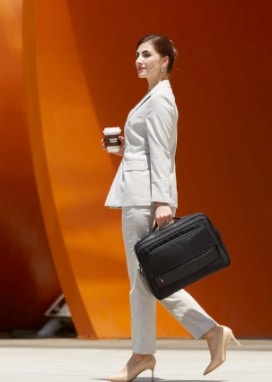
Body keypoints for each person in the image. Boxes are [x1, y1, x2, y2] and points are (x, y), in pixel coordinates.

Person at [103, 34, 240, 381]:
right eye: (136, 53)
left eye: (146, 54)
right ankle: (156, 349)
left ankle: (186, 339)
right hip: (139, 191)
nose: (138, 59)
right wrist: (123, 146)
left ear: (165, 61)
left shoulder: (161, 99)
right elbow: (147, 150)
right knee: (145, 279)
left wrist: (164, 200)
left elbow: (164, 152)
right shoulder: (151, 97)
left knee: (146, 277)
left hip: (145, 198)